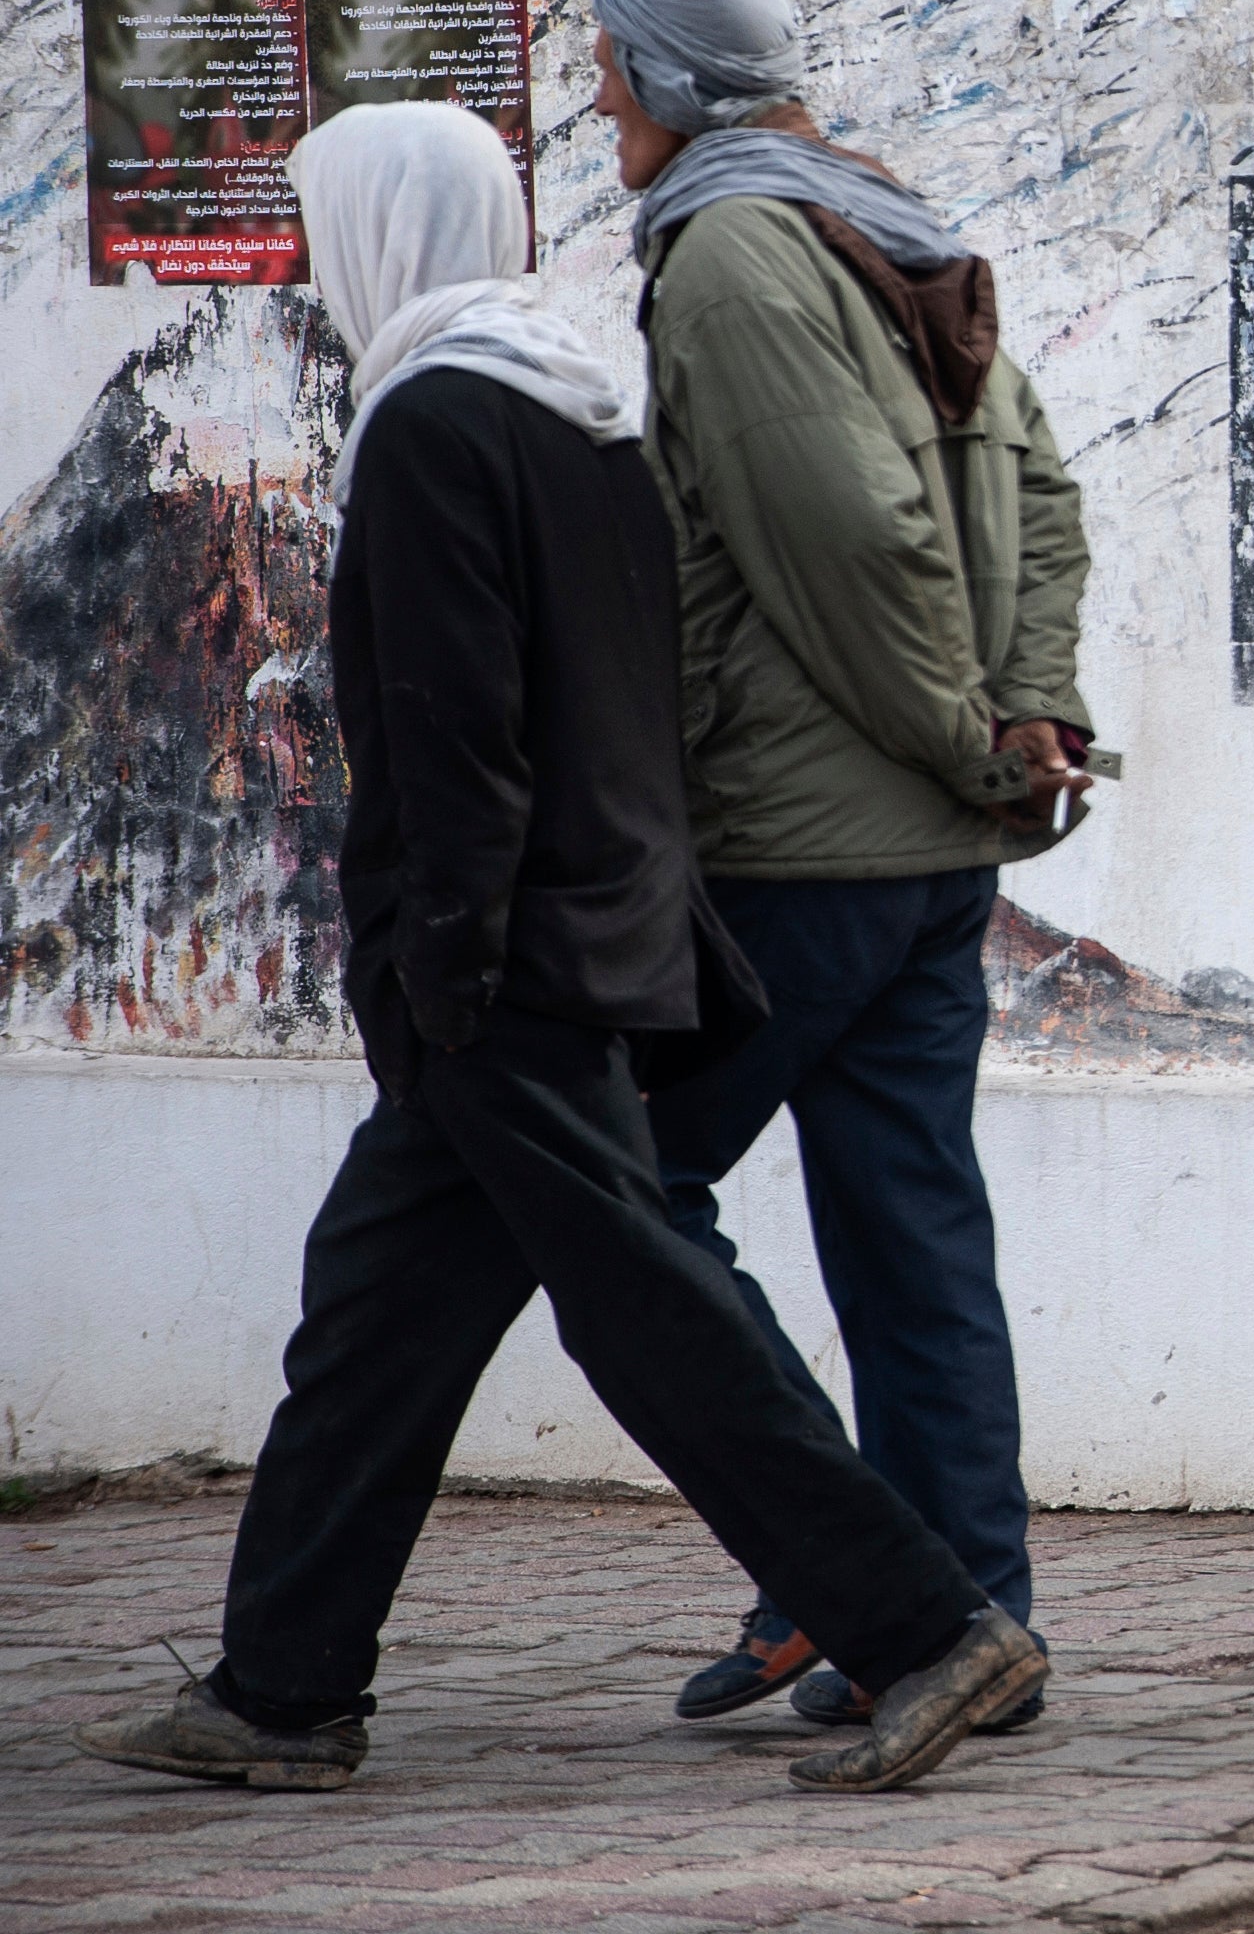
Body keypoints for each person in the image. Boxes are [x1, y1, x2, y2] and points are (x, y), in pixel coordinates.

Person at [71, 102, 1044, 1798]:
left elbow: (457, 735)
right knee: (376, 1320)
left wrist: (434, 970)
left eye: (323, 231)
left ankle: (927, 1627)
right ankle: (281, 1689)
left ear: (388, 231)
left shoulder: (437, 422)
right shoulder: (570, 400)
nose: (311, 271)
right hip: (588, 925)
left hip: (497, 964)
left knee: (648, 1314)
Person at [577, 0, 1097, 1732]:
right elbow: (1038, 488)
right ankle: (964, 1616)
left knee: (627, 1199)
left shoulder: (732, 253)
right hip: (929, 850)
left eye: (613, 72)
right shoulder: (878, 213)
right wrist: (1021, 722)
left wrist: (973, 740)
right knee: (915, 1239)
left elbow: (857, 543)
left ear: (673, 85)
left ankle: (849, 1572)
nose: (599, 106)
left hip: (806, 851)